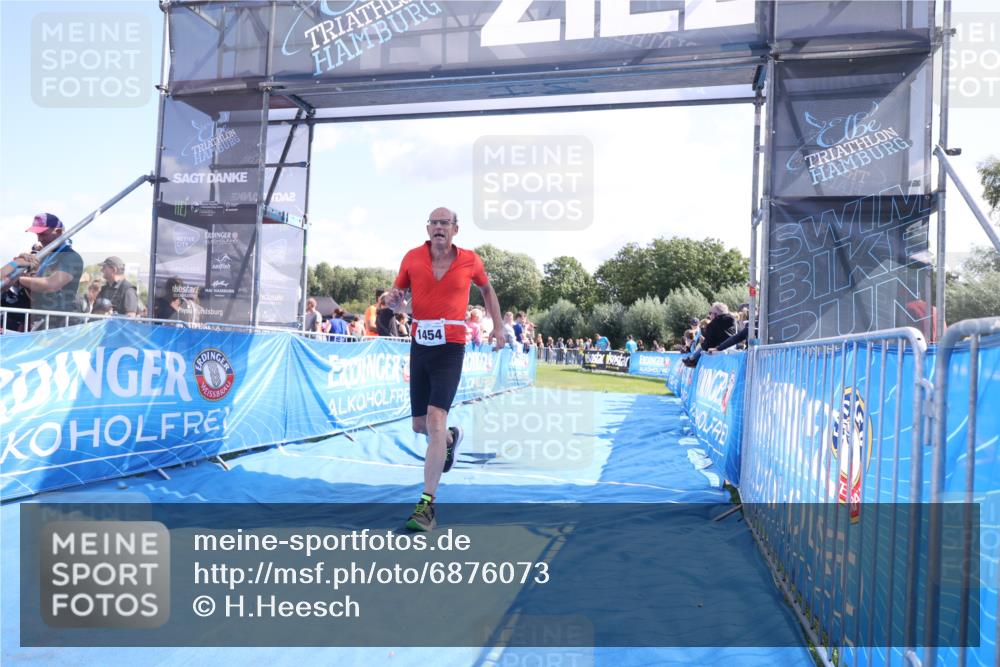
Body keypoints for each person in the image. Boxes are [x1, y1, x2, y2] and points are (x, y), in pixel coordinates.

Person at [386, 206, 505, 532]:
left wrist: (498, 326)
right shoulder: (411, 258)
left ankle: (427, 505)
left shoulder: (470, 260)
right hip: (420, 344)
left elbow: (487, 290)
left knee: (436, 418)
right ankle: (451, 438)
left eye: (445, 223)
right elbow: (398, 297)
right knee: (420, 426)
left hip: (451, 346)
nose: (439, 227)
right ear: (428, 228)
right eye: (434, 223)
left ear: (455, 229)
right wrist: (392, 300)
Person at [4, 213, 84, 329]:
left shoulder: (70, 257)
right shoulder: (44, 256)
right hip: (39, 320)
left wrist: (19, 279)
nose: (39, 239)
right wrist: (20, 262)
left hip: (59, 324)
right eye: (37, 234)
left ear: (58, 231)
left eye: (43, 234)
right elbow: (33, 283)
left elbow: (51, 285)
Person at [684, 302, 737, 367]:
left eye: (710, 313)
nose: (709, 316)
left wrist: (702, 343)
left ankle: (691, 360)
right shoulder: (733, 321)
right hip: (733, 354)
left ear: (716, 314)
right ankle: (691, 359)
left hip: (717, 357)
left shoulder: (712, 325)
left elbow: (707, 347)